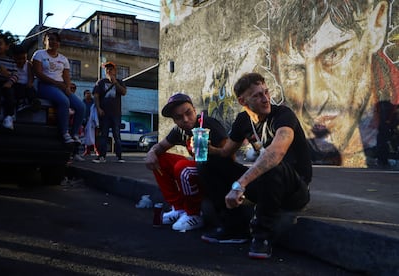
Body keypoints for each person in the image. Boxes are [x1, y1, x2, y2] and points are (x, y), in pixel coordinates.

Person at [268, 0, 399, 167]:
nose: (314, 99)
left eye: (334, 55)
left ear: (377, 25)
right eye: (294, 71)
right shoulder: (277, 122)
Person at [200, 72, 312, 260]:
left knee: (270, 163)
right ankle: (233, 228)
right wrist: (206, 149)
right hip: (266, 185)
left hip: (294, 190)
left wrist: (240, 184)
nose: (266, 99)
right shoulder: (243, 120)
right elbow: (226, 152)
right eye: (257, 95)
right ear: (243, 101)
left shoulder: (283, 115)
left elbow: (276, 152)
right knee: (209, 163)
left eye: (266, 92)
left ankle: (262, 237)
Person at [145, 93, 228, 232]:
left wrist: (212, 150)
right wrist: (151, 153)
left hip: (215, 172)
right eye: (178, 117)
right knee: (160, 159)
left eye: (188, 113)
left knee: (183, 168)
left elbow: (228, 153)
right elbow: (160, 147)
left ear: (194, 110)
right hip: (199, 169)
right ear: (174, 121)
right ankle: (179, 208)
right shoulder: (179, 131)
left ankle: (194, 214)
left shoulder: (209, 124)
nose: (185, 119)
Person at [31, 32, 85, 144]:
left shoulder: (63, 59)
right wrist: (56, 83)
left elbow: (66, 77)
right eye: (50, 39)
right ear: (45, 41)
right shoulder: (39, 54)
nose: (53, 42)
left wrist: (68, 88)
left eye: (55, 40)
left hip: (61, 87)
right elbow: (38, 73)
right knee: (64, 101)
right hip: (45, 85)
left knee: (81, 107)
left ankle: (75, 134)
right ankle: (64, 133)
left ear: (59, 43)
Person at [92, 61, 127, 163]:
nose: (109, 70)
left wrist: (115, 82)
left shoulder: (120, 81)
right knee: (103, 135)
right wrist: (98, 108)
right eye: (107, 69)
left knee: (117, 135)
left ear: (115, 70)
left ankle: (119, 156)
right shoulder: (101, 82)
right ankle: (102, 156)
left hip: (116, 113)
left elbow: (124, 92)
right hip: (104, 113)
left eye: (111, 68)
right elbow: (96, 96)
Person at [11, 44, 40, 112]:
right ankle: (21, 103)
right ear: (14, 58)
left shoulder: (28, 64)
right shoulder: (12, 64)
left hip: (26, 84)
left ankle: (34, 102)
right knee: (19, 89)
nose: (21, 61)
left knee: (31, 90)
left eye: (23, 58)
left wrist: (29, 83)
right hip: (16, 83)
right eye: (19, 59)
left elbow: (31, 76)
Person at [81, 89, 99, 156]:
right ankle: (87, 150)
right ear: (84, 95)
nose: (89, 95)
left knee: (95, 136)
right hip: (85, 121)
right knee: (86, 136)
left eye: (89, 93)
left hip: (93, 121)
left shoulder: (94, 102)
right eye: (87, 93)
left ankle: (96, 150)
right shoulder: (82, 103)